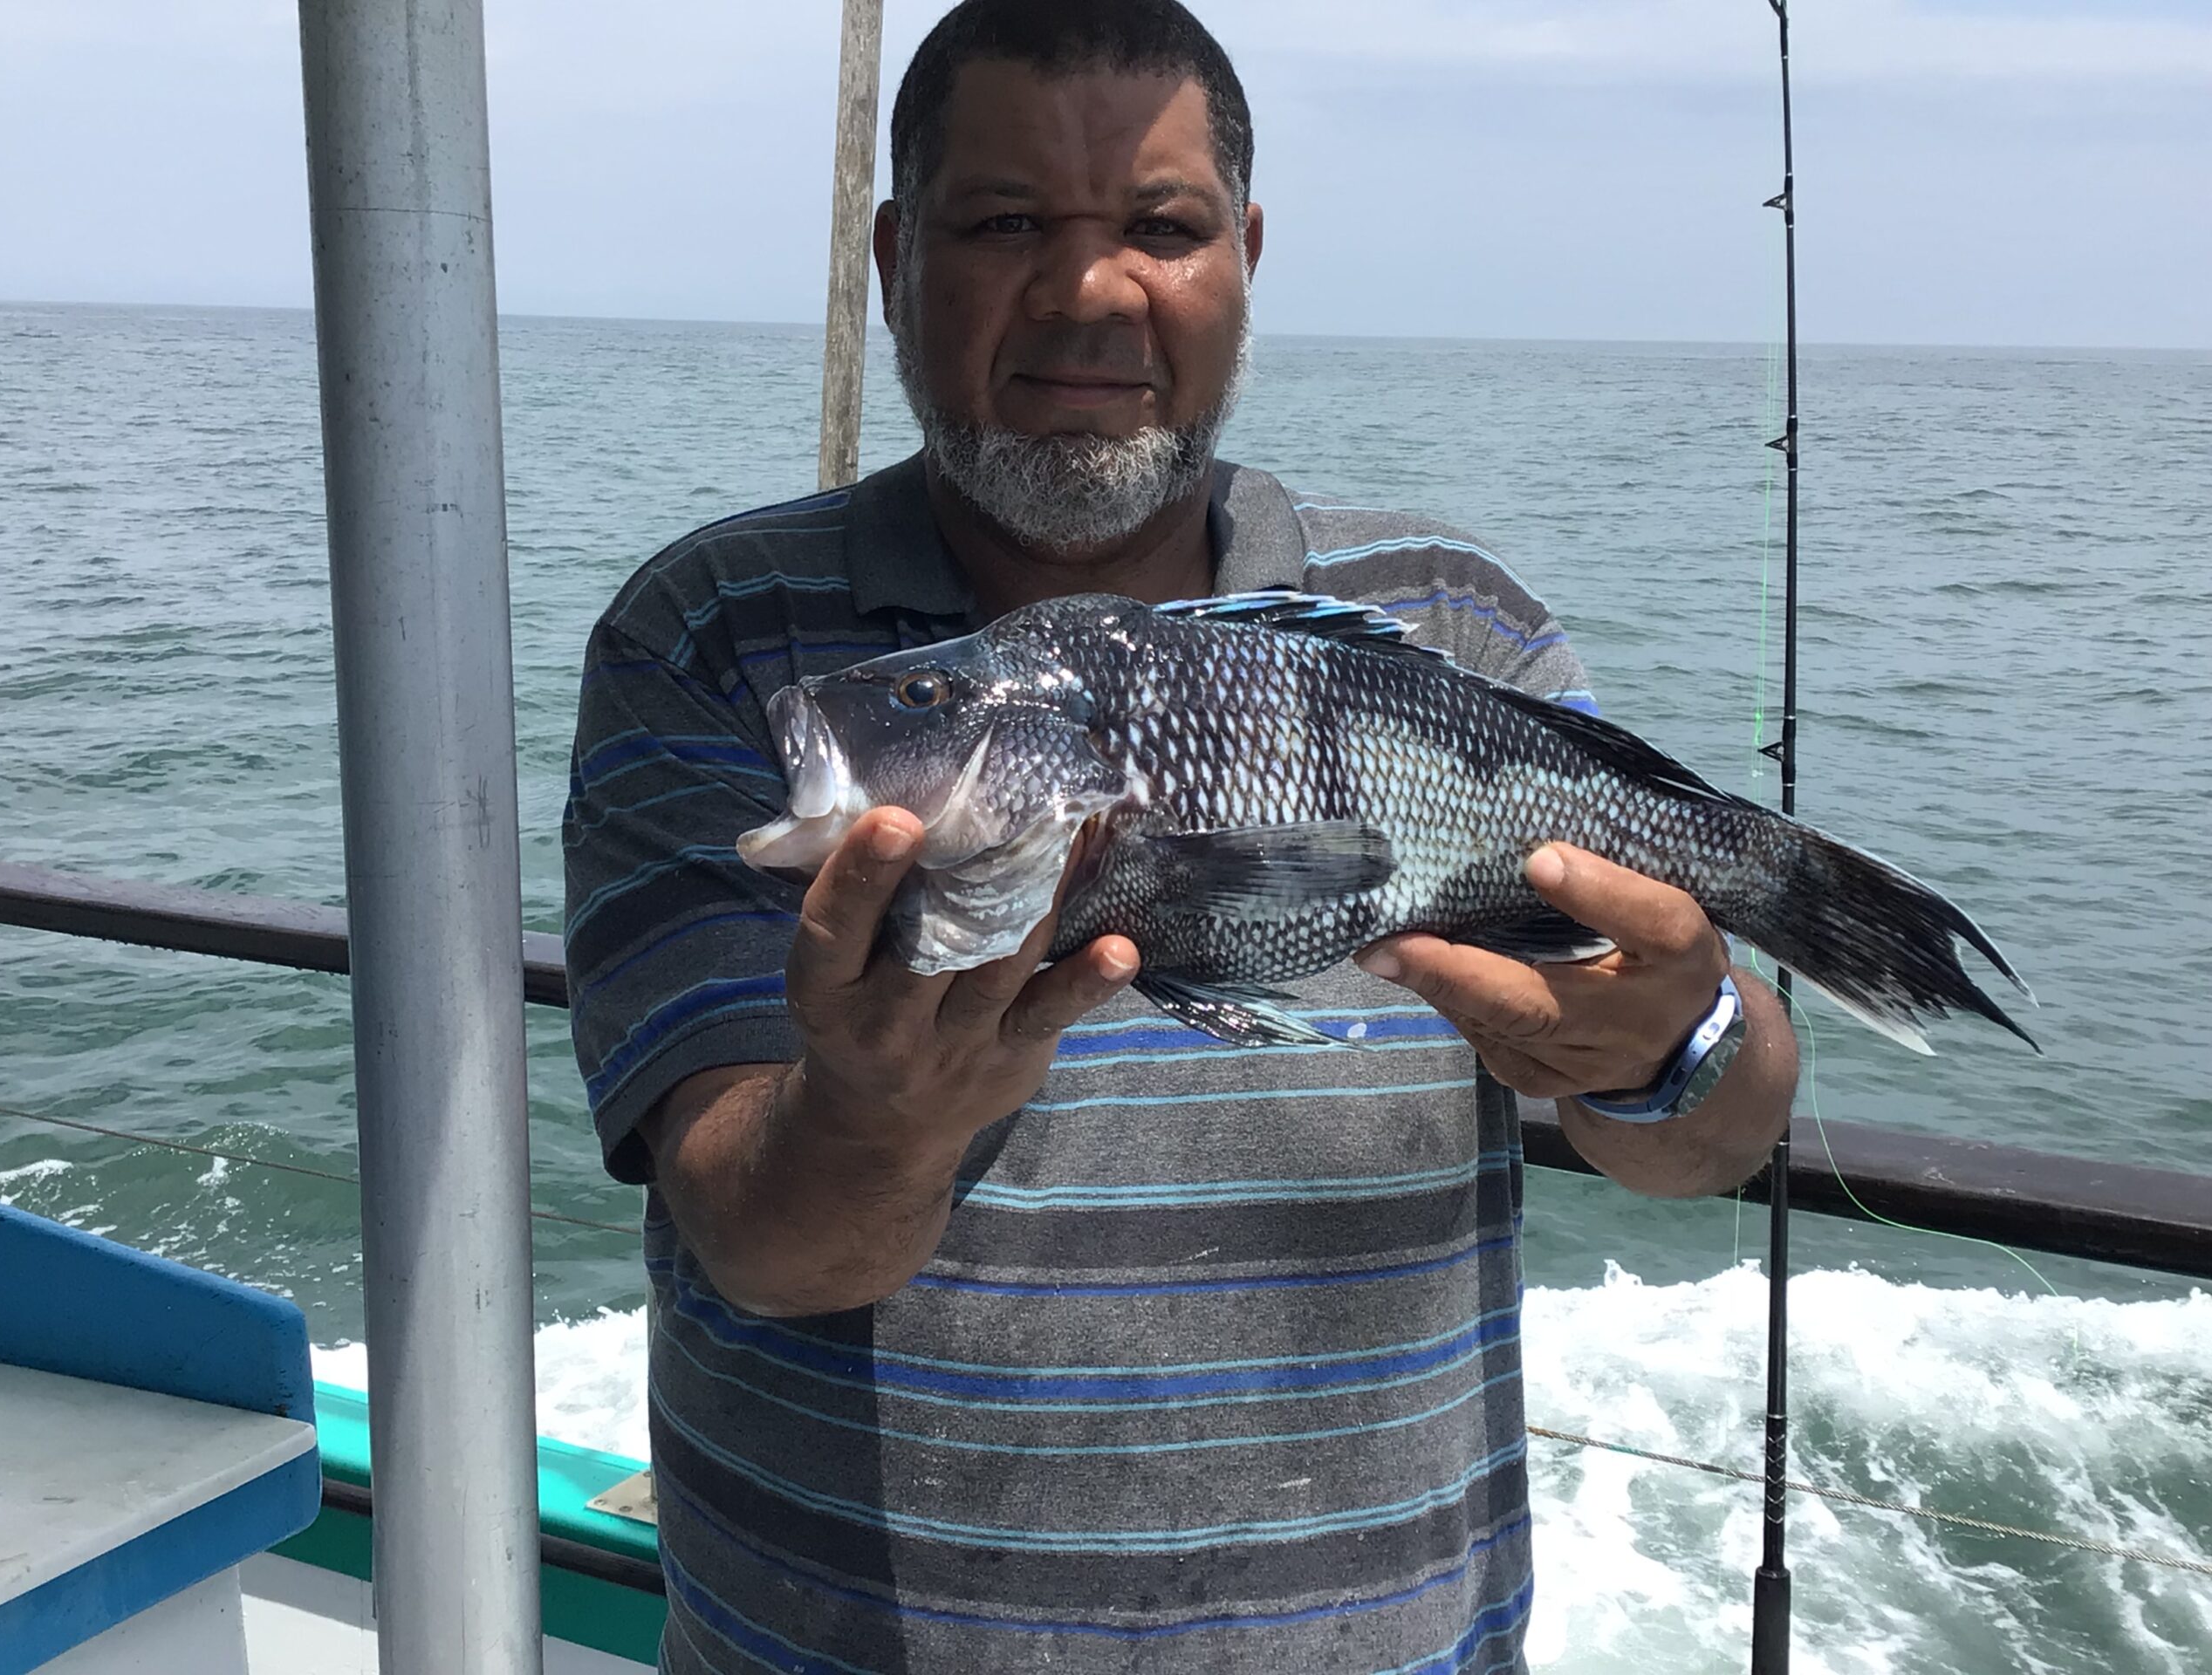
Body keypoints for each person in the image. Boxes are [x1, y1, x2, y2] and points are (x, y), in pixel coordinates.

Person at [564, 2, 1798, 1669]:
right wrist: (872, 1118)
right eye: (1008, 225)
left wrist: (1675, 1043)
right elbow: (770, 1248)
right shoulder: (716, 640)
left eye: (1162, 226)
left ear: (1246, 253)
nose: (1089, 293)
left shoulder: (1449, 621)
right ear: (890, 253)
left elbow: (1707, 1146)